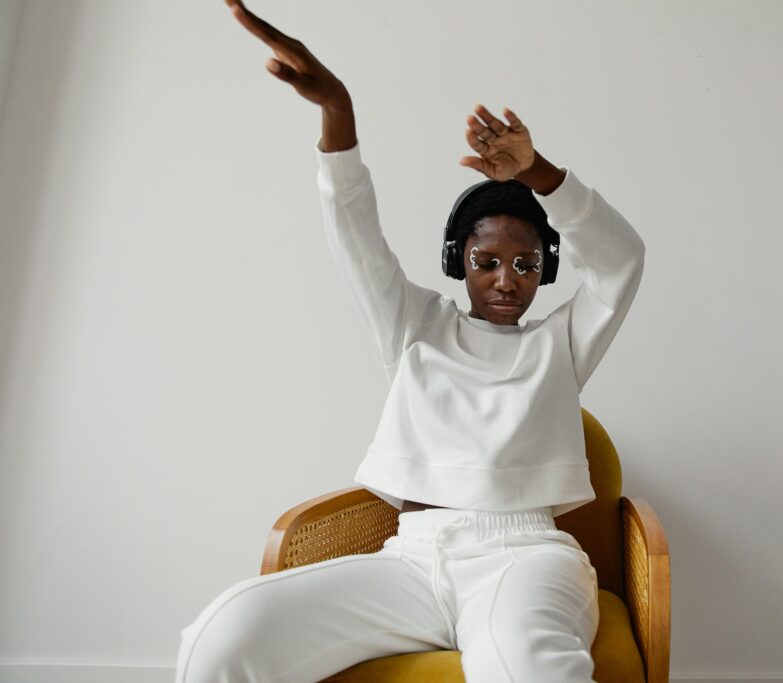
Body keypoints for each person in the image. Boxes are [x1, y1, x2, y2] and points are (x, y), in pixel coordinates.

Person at [175, 2, 646, 681]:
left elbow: (621, 260)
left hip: (526, 556)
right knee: (221, 637)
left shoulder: (562, 343)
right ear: (459, 262)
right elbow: (355, 234)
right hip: (412, 560)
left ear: (546, 271)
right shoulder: (415, 326)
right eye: (488, 262)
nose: (507, 279)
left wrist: (538, 171)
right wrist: (338, 114)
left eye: (526, 264)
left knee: (526, 667)